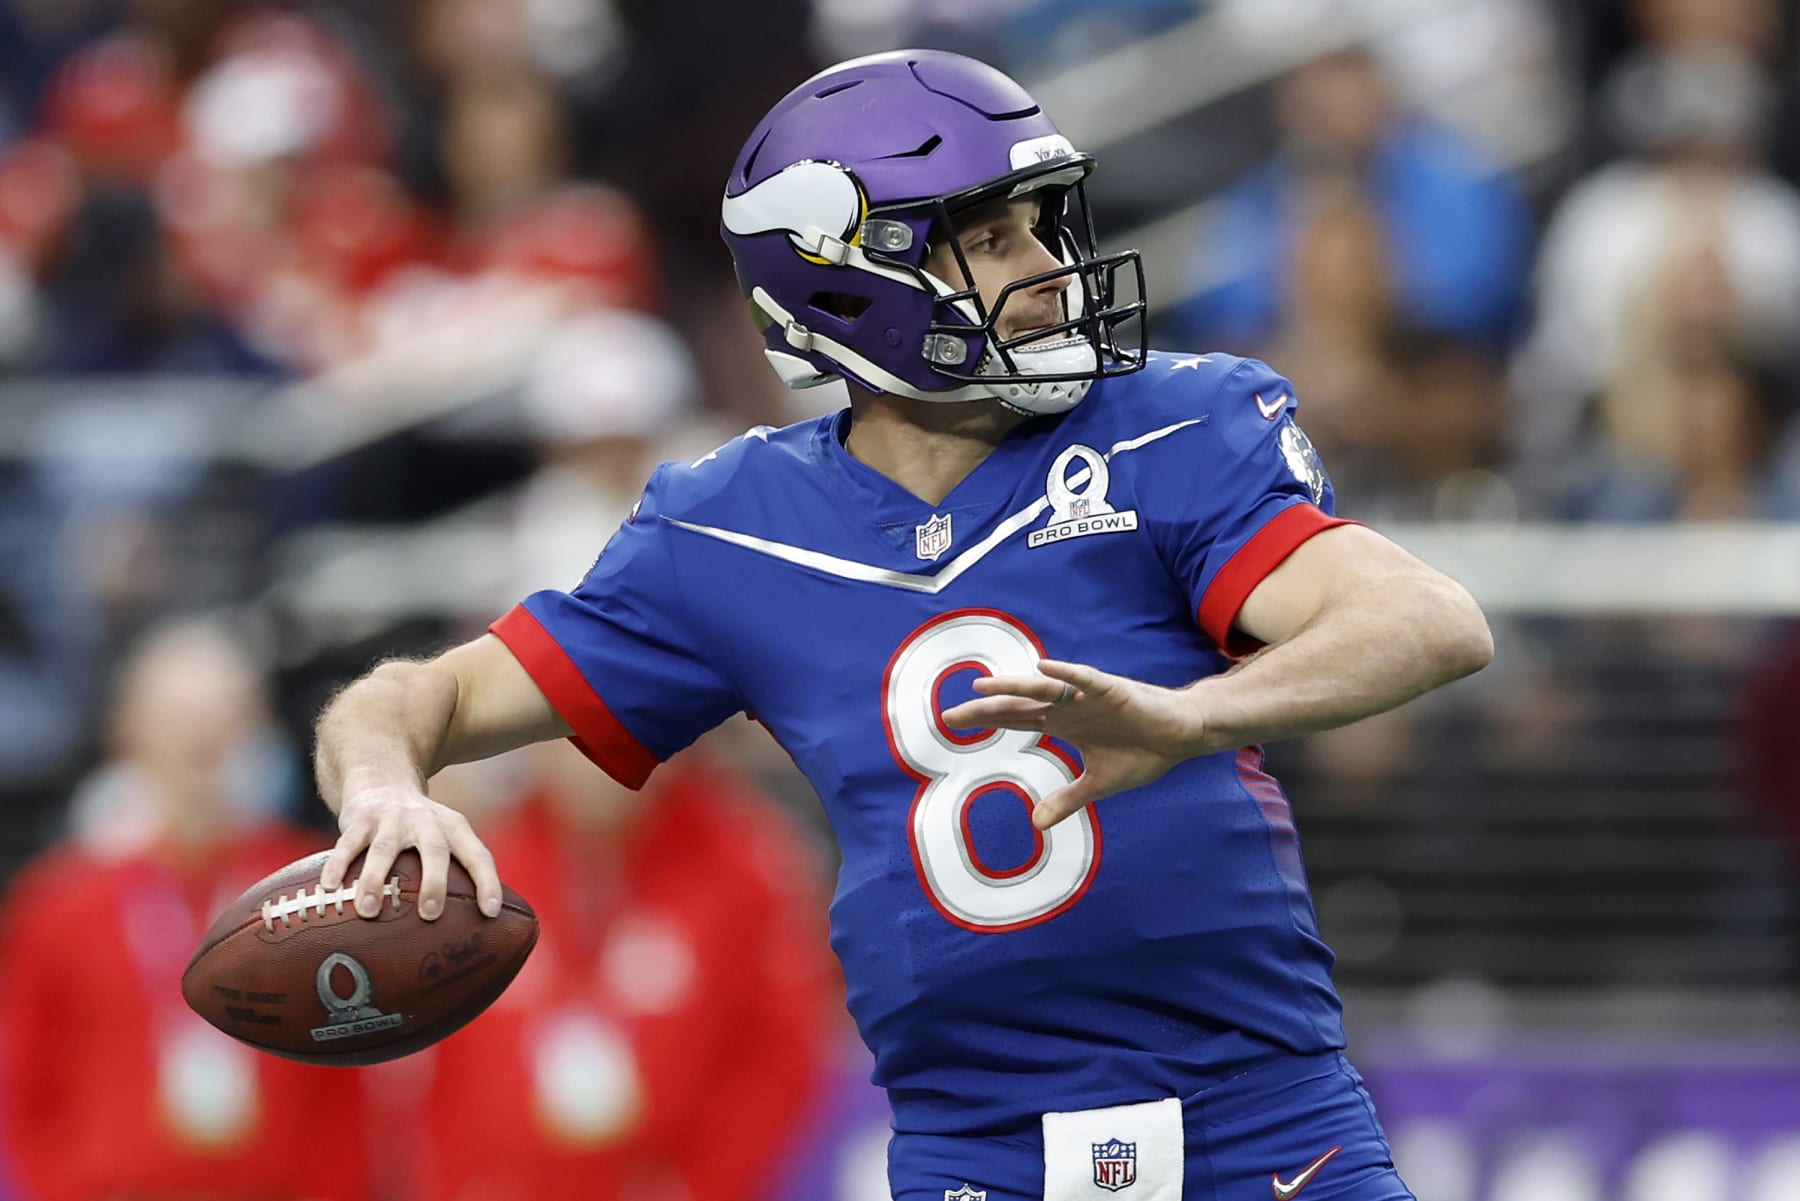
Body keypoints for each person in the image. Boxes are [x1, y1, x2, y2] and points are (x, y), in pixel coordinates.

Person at [313, 50, 1492, 1201]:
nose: (1044, 264)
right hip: (976, 1150)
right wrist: (384, 789)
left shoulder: (1167, 427)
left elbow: (1426, 619)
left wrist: (1193, 714)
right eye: (989, 237)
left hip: (1262, 1120)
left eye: (1039, 224)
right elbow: (418, 698)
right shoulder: (729, 528)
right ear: (845, 282)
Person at [0, 619, 369, 1201]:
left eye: (221, 714)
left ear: (257, 727)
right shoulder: (56, 905)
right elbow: (25, 1094)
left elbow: (347, 1091)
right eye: (177, 717)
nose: (201, 738)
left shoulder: (317, 891)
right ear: (127, 731)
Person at [411, 740, 840, 1201]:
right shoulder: (479, 874)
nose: (593, 756)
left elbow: (777, 1064)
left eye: (614, 730)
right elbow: (431, 1079)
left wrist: (700, 1189)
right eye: (563, 733)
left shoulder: (751, 874)